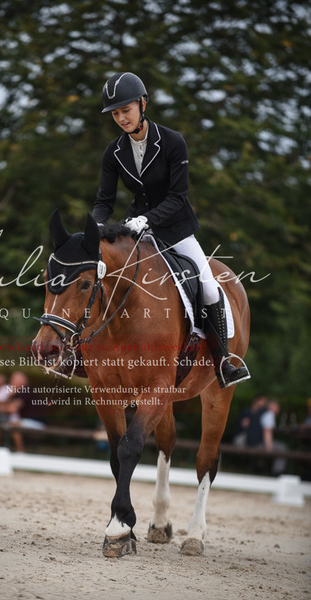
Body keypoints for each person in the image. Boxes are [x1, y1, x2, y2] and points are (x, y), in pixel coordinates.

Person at [92, 71, 250, 389]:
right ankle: (84, 353)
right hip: (135, 232)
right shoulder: (114, 152)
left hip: (175, 229)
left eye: (126, 110)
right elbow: (104, 201)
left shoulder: (172, 142)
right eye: (115, 113)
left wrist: (147, 220)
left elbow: (178, 197)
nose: (121, 118)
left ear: (142, 104)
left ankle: (223, 362)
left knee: (208, 287)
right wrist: (96, 226)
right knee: (97, 277)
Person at [0, 371, 45, 452]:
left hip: (36, 423)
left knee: (13, 424)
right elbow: (6, 404)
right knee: (1, 424)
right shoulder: (19, 392)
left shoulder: (25, 390)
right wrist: (10, 395)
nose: (11, 382)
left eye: (13, 380)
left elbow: (12, 408)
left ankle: (20, 451)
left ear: (21, 382)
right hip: (26, 421)